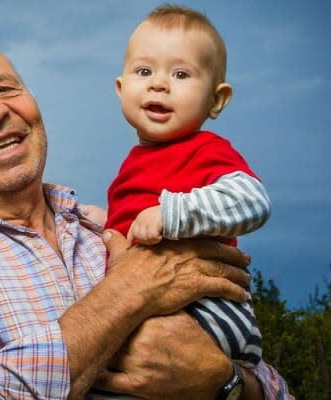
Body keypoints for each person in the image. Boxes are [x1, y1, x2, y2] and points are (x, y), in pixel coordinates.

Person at [0, 39, 292, 399]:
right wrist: (131, 289)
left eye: (5, 89)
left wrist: (227, 384)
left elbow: (271, 386)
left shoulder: (109, 231)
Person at [105, 5, 271, 369]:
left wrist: (170, 214)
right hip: (155, 305)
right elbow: (134, 225)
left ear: (216, 99)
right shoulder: (132, 165)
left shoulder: (205, 151)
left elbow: (253, 200)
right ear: (121, 88)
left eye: (181, 74)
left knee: (127, 364)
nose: (159, 83)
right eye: (144, 70)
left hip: (211, 307)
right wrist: (100, 222)